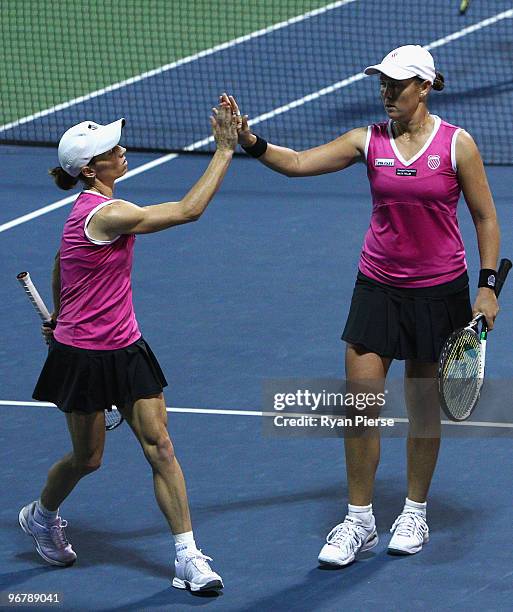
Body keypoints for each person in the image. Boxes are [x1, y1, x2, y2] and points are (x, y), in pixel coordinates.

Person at [223, 45, 500, 564]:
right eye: (382, 83)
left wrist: (486, 286)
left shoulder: (456, 145)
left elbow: (485, 217)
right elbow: (300, 163)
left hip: (439, 290)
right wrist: (250, 141)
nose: (386, 92)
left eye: (397, 84)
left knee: (421, 408)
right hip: (378, 287)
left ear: (424, 86)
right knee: (359, 407)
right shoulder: (366, 141)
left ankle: (414, 509)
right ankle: (359, 520)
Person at [19, 105, 238, 592]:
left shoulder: (89, 214)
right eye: (110, 150)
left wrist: (59, 314)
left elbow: (60, 261)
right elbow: (188, 210)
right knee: (88, 459)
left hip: (126, 346)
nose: (122, 151)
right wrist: (225, 149)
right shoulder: (108, 213)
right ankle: (40, 516)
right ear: (91, 169)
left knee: (160, 446)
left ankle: (187, 556)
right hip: (82, 357)